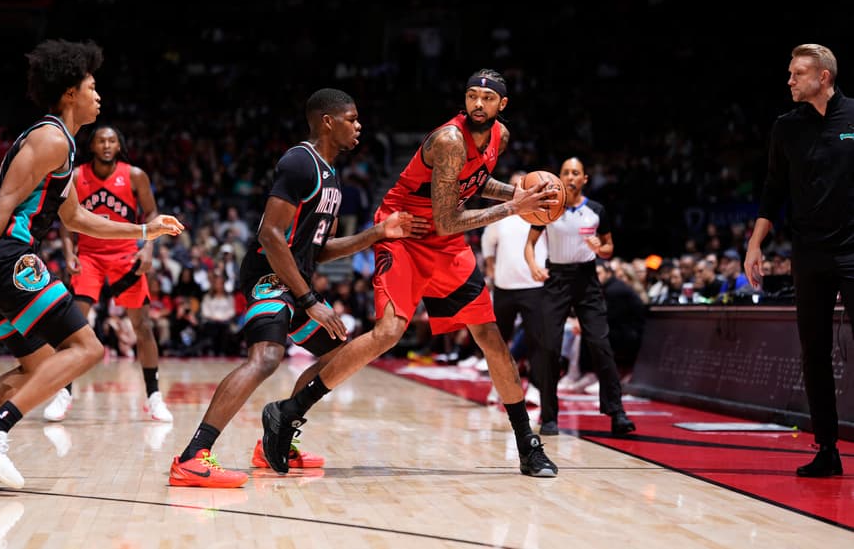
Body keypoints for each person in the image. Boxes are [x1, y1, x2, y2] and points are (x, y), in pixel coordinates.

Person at [260, 69, 562, 478]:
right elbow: (447, 218)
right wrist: (515, 207)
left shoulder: (499, 138)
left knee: (490, 337)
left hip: (445, 243)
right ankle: (289, 411)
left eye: (486, 99)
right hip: (405, 232)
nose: (477, 104)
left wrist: (515, 193)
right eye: (471, 95)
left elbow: (473, 183)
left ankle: (527, 443)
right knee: (389, 332)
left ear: (501, 106)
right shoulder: (450, 140)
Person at [0, 38, 184, 490]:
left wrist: (144, 231)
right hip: (2, 255)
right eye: (93, 86)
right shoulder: (50, 137)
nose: (100, 95)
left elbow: (77, 218)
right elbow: (1, 203)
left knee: (36, 368)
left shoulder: (63, 146)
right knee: (88, 348)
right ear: (70, 93)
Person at [168, 88, 425, 488]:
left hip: (295, 279)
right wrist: (309, 301)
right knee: (267, 357)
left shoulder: (333, 177)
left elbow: (318, 252)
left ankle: (276, 433)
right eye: (352, 118)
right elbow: (270, 235)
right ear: (328, 121)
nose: (359, 126)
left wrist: (376, 234)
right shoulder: (299, 162)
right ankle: (192, 456)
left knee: (340, 354)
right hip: (268, 275)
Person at [744, 43, 850, 478]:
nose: (789, 80)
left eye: (797, 74)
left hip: (853, 250)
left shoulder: (853, 117)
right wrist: (755, 245)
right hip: (809, 253)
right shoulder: (785, 128)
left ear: (822, 77)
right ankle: (827, 448)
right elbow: (773, 190)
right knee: (815, 353)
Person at [42, 125, 173, 423]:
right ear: (92, 146)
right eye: (101, 140)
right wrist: (68, 252)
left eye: (112, 140)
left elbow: (152, 214)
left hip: (126, 256)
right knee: (73, 325)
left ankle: (154, 396)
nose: (106, 145)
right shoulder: (76, 176)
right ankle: (64, 392)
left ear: (119, 145)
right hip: (88, 256)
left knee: (143, 327)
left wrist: (148, 249)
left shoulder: (135, 175)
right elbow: (65, 221)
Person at [524, 156, 636, 437]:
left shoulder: (596, 210)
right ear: (559, 178)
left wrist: (602, 248)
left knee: (600, 343)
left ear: (585, 179)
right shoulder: (548, 209)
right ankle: (548, 416)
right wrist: (534, 266)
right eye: (566, 172)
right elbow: (530, 244)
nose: (571, 177)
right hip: (556, 278)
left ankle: (617, 412)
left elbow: (609, 247)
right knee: (549, 347)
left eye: (576, 173)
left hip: (587, 279)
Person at [482, 169, 547, 408]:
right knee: (497, 342)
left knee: (537, 342)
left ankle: (536, 388)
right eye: (512, 185)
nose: (516, 189)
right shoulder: (501, 216)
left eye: (522, 184)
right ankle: (497, 386)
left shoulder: (542, 215)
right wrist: (490, 267)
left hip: (534, 287)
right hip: (504, 287)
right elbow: (487, 242)